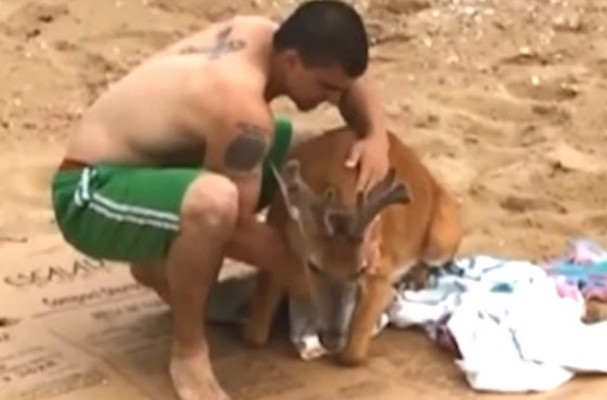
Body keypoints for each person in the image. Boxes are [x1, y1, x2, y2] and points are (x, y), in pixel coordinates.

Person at [50, 1, 390, 399]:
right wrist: (316, 276)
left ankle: (160, 264)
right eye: (326, 88)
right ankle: (189, 352)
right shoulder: (242, 111)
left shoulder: (267, 33)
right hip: (90, 191)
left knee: (317, 153)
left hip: (162, 160)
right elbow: (236, 230)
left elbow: (351, 82)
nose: (332, 98)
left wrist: (376, 137)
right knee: (216, 206)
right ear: (294, 63)